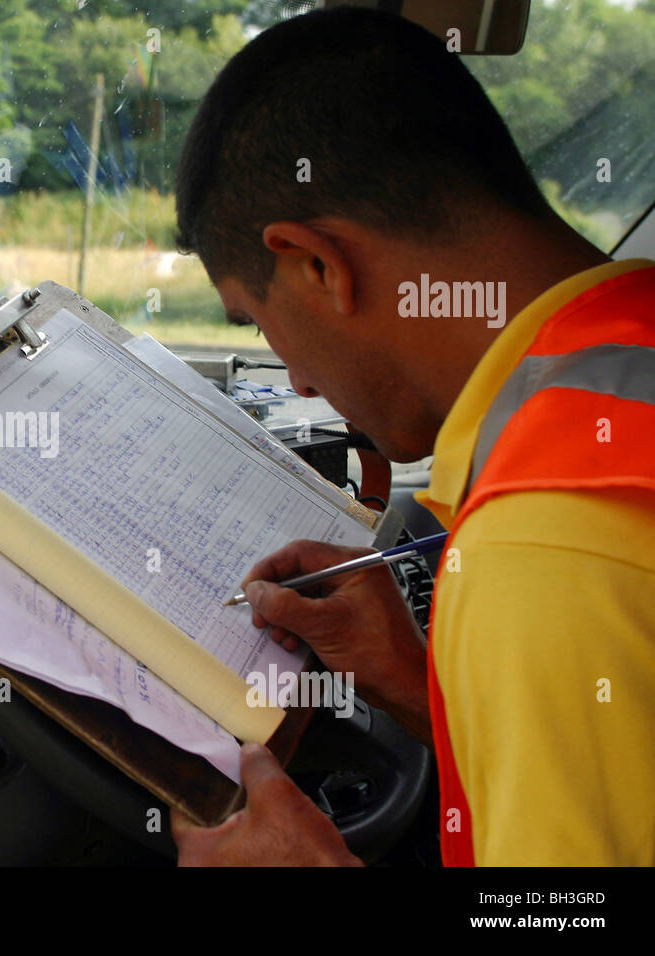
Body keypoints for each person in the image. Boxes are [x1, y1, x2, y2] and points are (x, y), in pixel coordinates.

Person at [170, 7, 655, 866]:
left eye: (260, 320)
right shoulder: (628, 347)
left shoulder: (546, 545)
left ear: (318, 263)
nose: (302, 383)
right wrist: (421, 685)